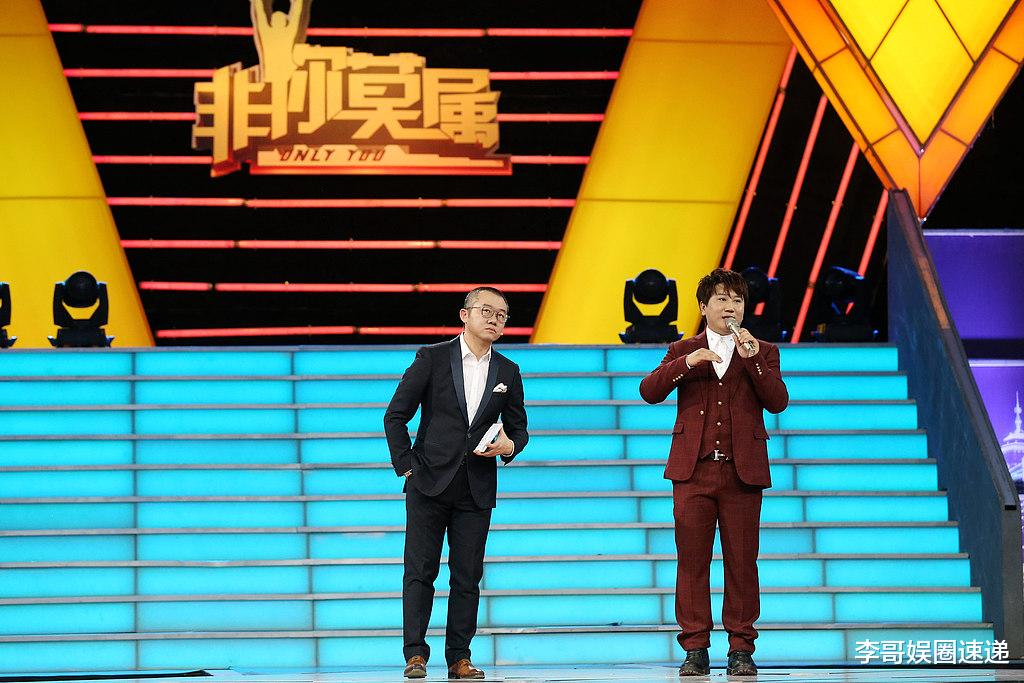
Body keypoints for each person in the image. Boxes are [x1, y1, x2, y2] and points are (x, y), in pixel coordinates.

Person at [639, 268, 788, 676]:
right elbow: (649, 391)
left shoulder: (763, 350)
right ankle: (695, 648)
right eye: (722, 299)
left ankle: (741, 648)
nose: (730, 307)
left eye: (737, 300)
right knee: (692, 562)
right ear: (704, 307)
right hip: (693, 472)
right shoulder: (682, 348)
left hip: (743, 473)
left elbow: (778, 402)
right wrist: (687, 363)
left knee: (742, 562)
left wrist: (753, 360)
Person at [385, 287, 529, 679]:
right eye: (486, 311)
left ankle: (459, 657)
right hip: (428, 482)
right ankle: (415, 654)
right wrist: (406, 466)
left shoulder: (508, 371)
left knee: (467, 577)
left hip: (476, 487)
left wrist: (509, 446)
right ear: (465, 315)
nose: (494, 319)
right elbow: (395, 415)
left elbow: (519, 429)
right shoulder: (432, 357)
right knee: (420, 572)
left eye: (502, 315)